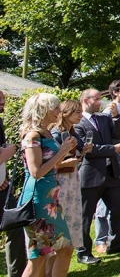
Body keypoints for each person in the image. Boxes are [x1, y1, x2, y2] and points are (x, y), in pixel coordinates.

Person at [18, 93, 79, 277]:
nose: (59, 111)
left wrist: (65, 152)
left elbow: (53, 165)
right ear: (43, 110)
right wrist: (61, 150)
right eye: (55, 107)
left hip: (51, 199)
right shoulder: (32, 136)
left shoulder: (46, 133)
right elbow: (36, 172)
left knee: (65, 249)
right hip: (37, 200)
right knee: (39, 257)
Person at [75, 88, 120, 264]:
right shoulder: (77, 123)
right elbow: (87, 150)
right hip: (90, 175)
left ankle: (115, 243)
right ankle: (83, 252)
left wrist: (116, 117)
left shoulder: (103, 118)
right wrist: (112, 149)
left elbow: (118, 135)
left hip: (111, 173)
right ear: (85, 101)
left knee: (119, 207)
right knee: (86, 216)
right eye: (96, 99)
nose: (100, 101)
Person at [93, 80, 120, 254]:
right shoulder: (108, 111)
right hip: (115, 159)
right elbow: (108, 136)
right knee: (106, 202)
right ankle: (101, 239)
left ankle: (115, 239)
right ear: (115, 92)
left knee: (119, 200)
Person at [50, 100, 91, 257]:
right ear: (66, 114)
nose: (81, 115)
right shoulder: (56, 133)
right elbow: (52, 160)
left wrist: (83, 152)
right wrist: (68, 161)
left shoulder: (72, 131)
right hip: (60, 180)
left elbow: (76, 155)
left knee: (72, 217)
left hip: (72, 178)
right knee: (62, 219)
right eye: (77, 112)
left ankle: (67, 253)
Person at [0, 90, 26, 277]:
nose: (3, 101)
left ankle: (17, 273)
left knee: (14, 227)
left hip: (3, 185)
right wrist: (12, 149)